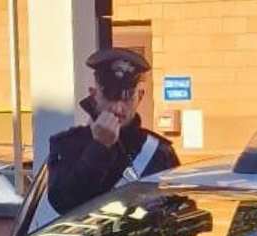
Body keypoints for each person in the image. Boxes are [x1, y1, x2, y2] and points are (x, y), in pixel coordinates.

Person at [40, 48, 179, 219]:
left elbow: (180, 212)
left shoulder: (159, 151)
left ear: (140, 97)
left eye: (127, 97)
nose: (117, 108)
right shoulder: (67, 144)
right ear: (94, 95)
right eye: (110, 96)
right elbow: (64, 203)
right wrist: (100, 148)